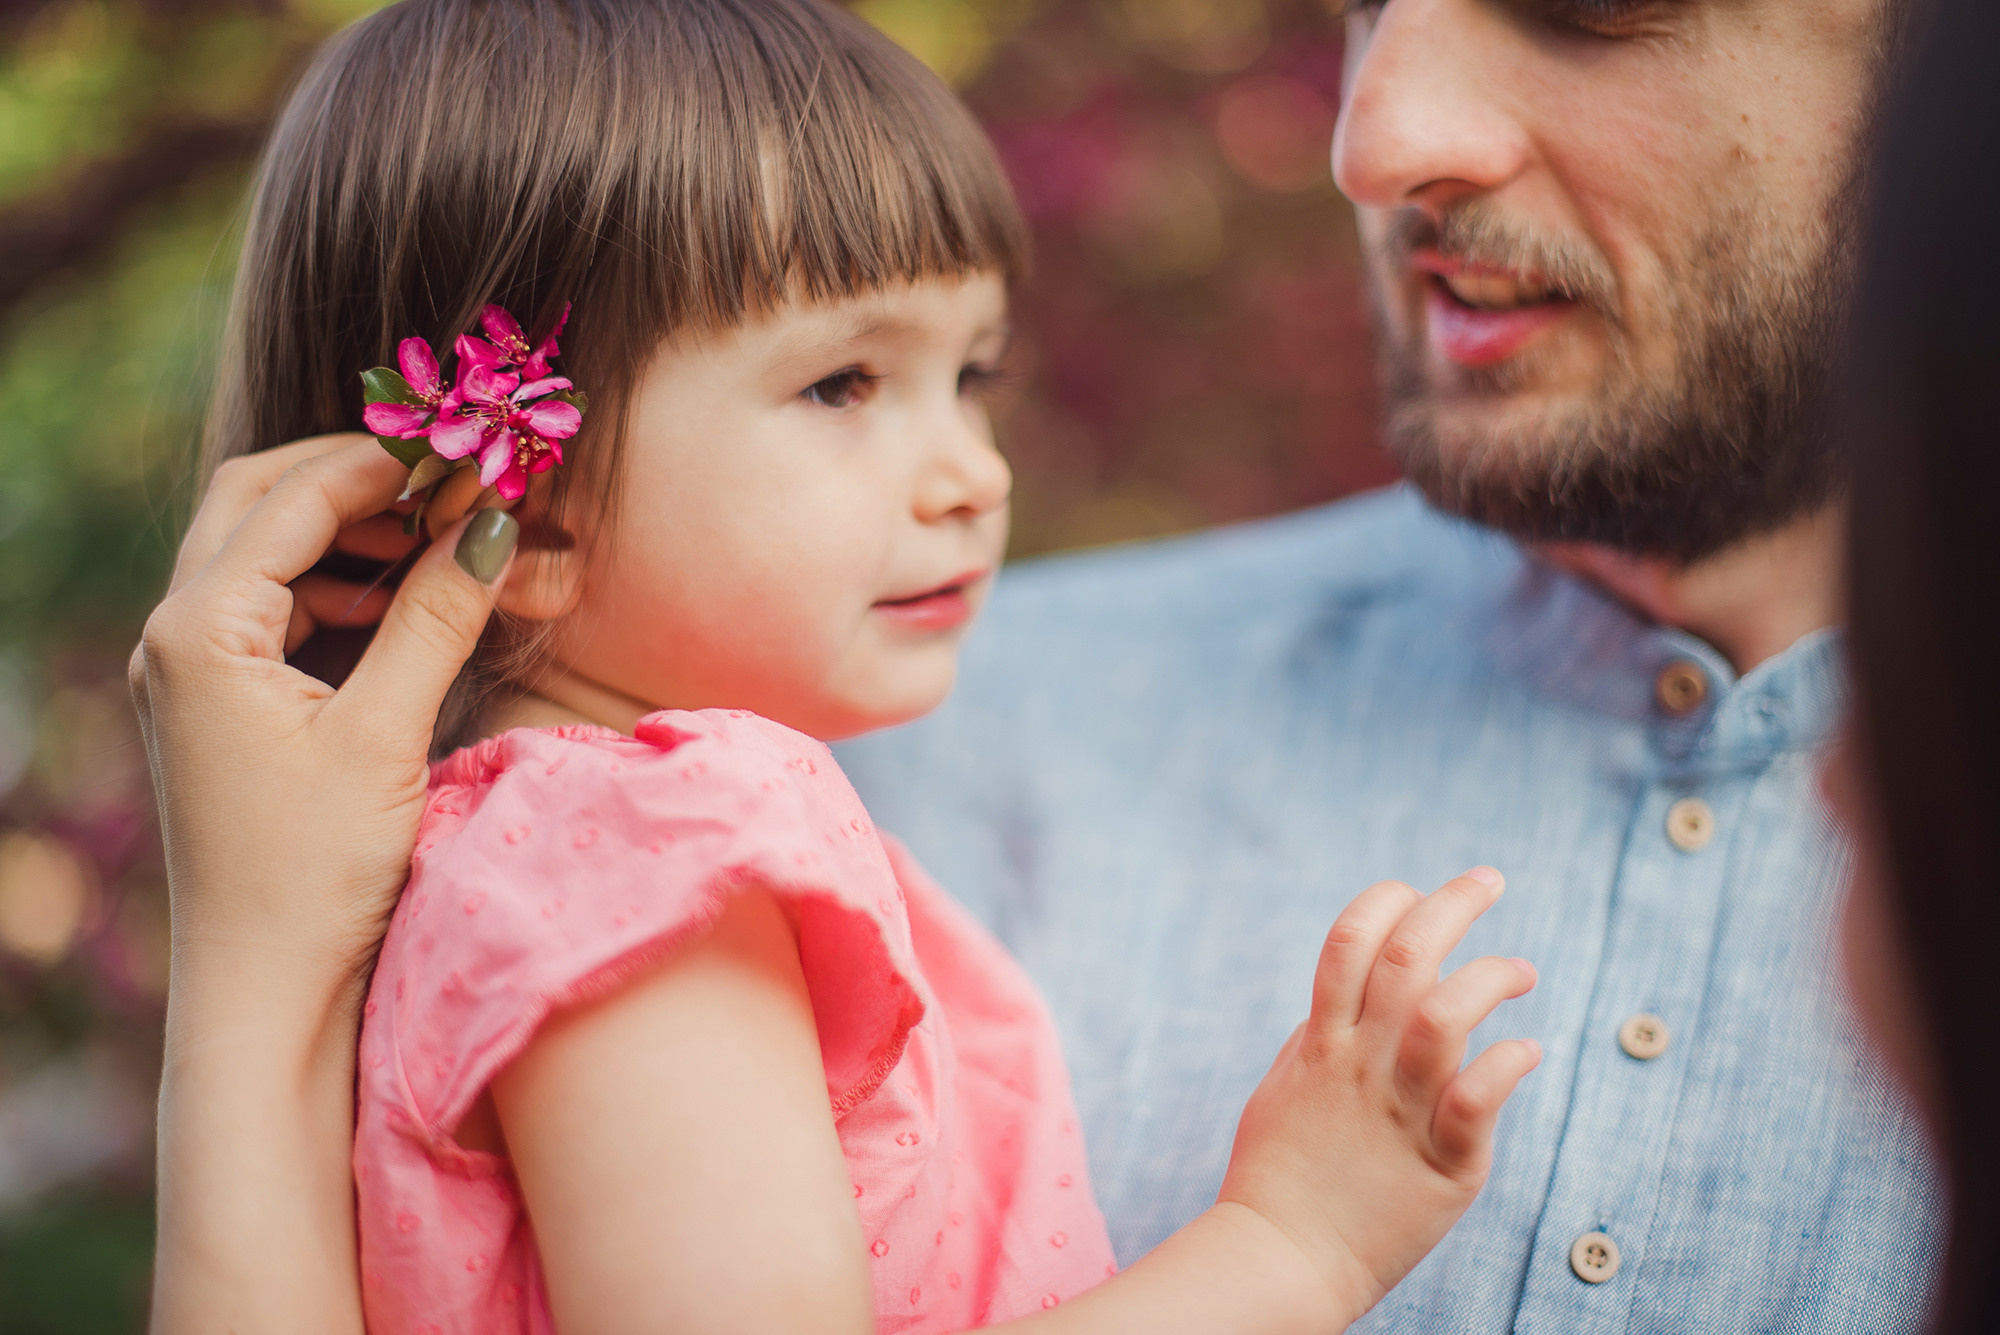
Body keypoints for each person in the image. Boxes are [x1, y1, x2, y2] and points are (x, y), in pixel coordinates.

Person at [136, 0, 1938, 1332]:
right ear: (510, 509)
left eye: (970, 377)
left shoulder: (545, 852)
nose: (970, 473)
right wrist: (1290, 1248)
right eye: (845, 385)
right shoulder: (649, 861)